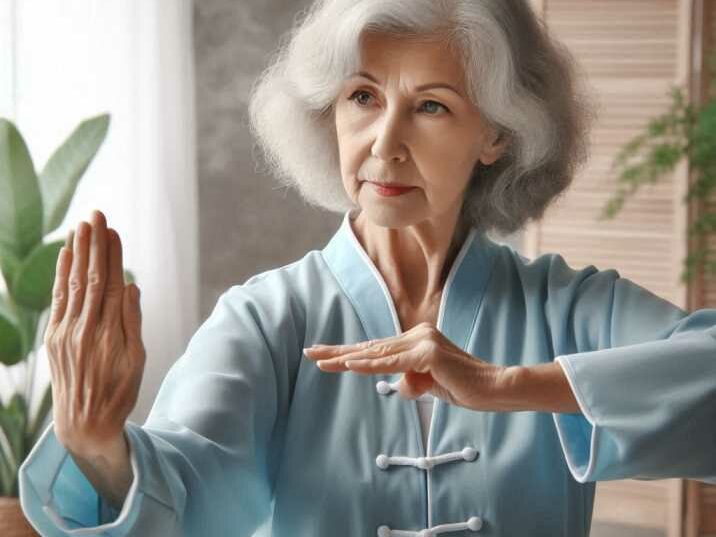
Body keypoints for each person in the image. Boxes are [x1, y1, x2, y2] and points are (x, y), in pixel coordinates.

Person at [18, 0, 716, 535]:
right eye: (363, 97)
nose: (386, 143)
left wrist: (508, 384)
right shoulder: (266, 318)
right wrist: (95, 442)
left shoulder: (568, 308)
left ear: (497, 134)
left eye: (432, 106)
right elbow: (191, 492)